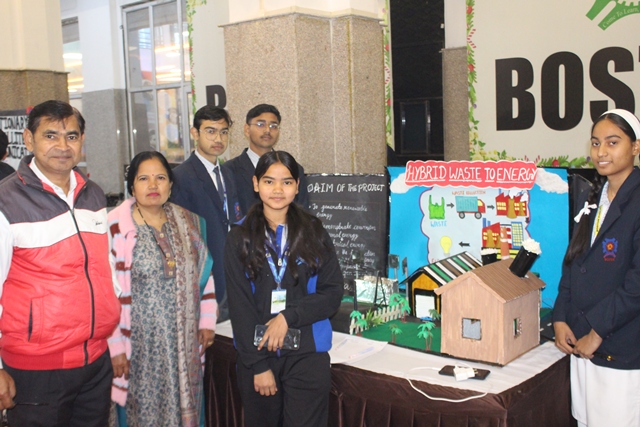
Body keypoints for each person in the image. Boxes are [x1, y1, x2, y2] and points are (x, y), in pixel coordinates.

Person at [0, 100, 121, 426]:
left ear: (82, 140)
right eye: (50, 135)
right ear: (29, 140)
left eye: (71, 136)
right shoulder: (6, 201)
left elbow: (105, 264)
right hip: (37, 367)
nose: (63, 146)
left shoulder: (93, 194)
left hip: (95, 359)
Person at [225, 150, 343, 427]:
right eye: (269, 181)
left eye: (287, 182)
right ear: (256, 184)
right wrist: (258, 365)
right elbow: (240, 306)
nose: (278, 189)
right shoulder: (239, 236)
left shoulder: (314, 231)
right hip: (259, 356)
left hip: (307, 355)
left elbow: (332, 292)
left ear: (297, 186)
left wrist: (287, 317)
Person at [108, 151, 217, 427]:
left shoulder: (189, 223)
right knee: (142, 411)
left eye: (160, 178)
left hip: (183, 341)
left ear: (170, 184)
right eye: (143, 179)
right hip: (139, 344)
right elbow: (105, 291)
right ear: (132, 186)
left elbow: (205, 274)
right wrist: (115, 345)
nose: (153, 185)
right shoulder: (115, 227)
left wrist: (206, 322)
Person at [553, 109, 640, 427]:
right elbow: (573, 262)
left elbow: (636, 284)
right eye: (595, 143)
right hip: (583, 344)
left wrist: (598, 332)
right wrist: (560, 316)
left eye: (612, 142)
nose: (601, 151)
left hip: (619, 347)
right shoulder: (591, 198)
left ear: (635, 147)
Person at [171, 106, 242, 323]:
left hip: (232, 271)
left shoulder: (228, 173)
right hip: (205, 275)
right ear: (195, 133)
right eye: (210, 131)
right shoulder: (181, 177)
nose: (218, 139)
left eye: (223, 132)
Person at [222, 104, 310, 214]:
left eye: (273, 126)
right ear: (247, 130)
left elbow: (302, 211)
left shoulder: (294, 168)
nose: (267, 130)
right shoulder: (228, 170)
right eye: (260, 124)